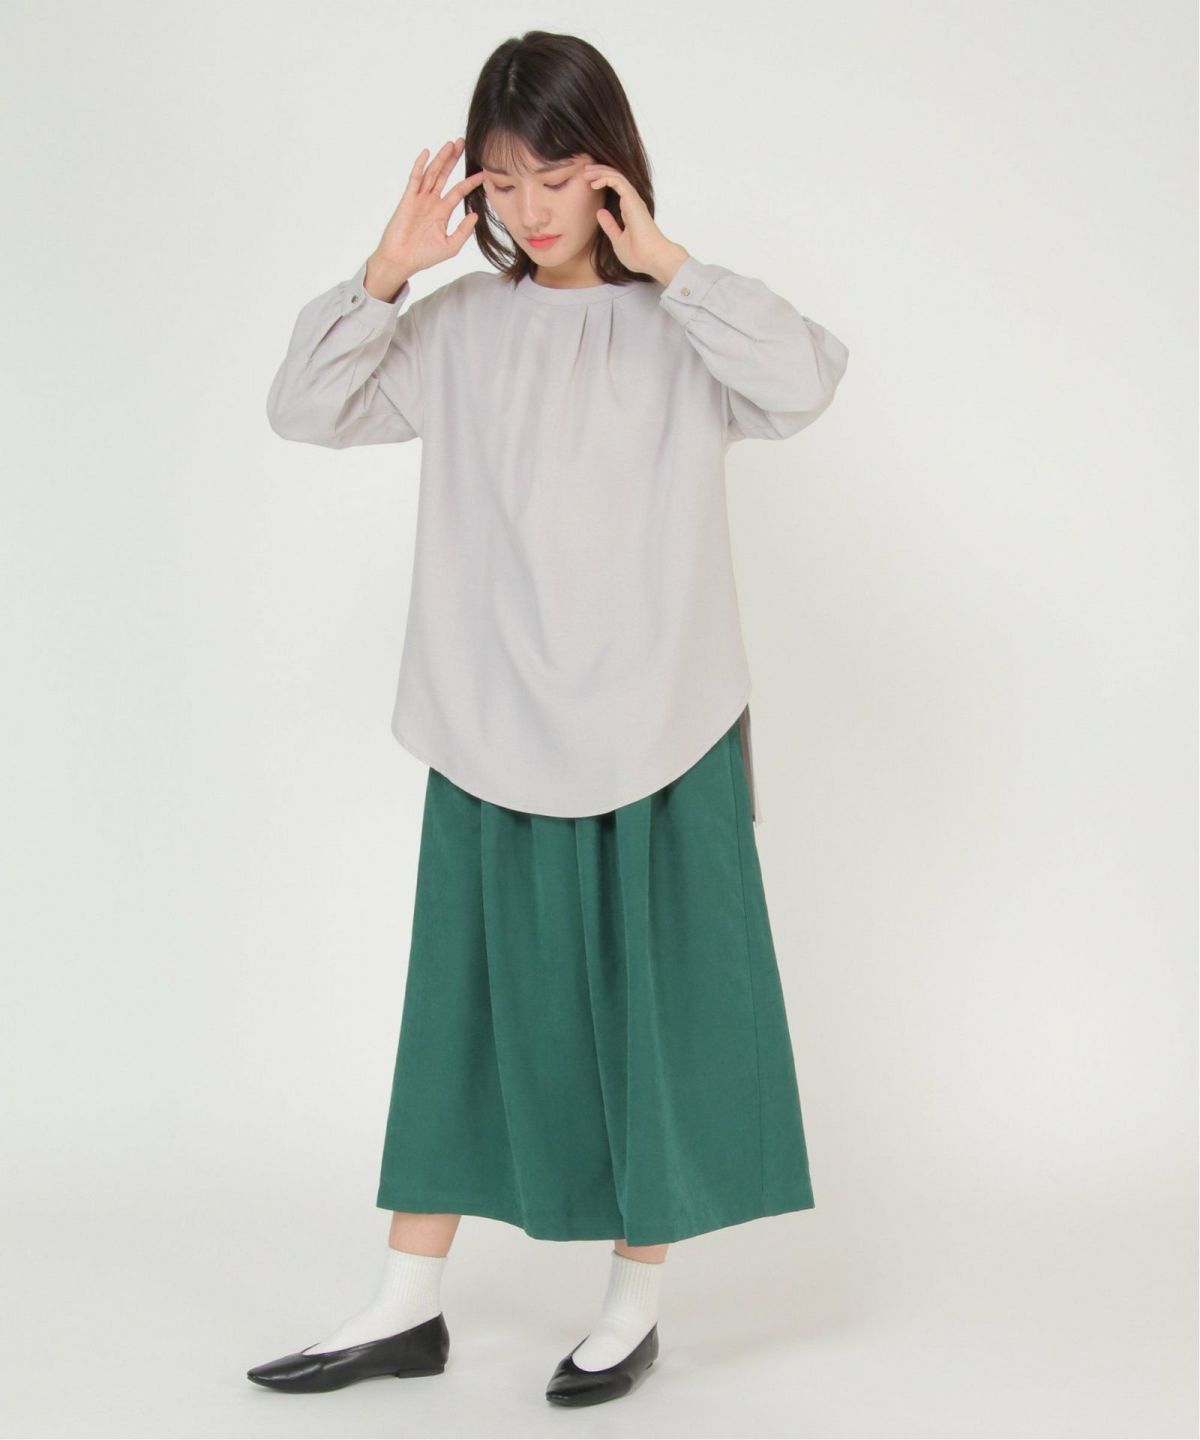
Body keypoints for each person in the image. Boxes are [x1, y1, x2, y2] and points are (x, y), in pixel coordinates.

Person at [247, 28, 849, 1409]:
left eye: (558, 175)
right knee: (460, 1012)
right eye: (503, 180)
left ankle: (634, 1303)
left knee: (653, 1016)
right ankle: (406, 1304)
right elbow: (303, 408)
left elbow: (805, 380)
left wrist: (672, 263)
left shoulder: (684, 330)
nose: (529, 209)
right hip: (491, 719)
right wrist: (389, 271)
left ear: (612, 173)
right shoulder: (455, 330)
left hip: (662, 723)